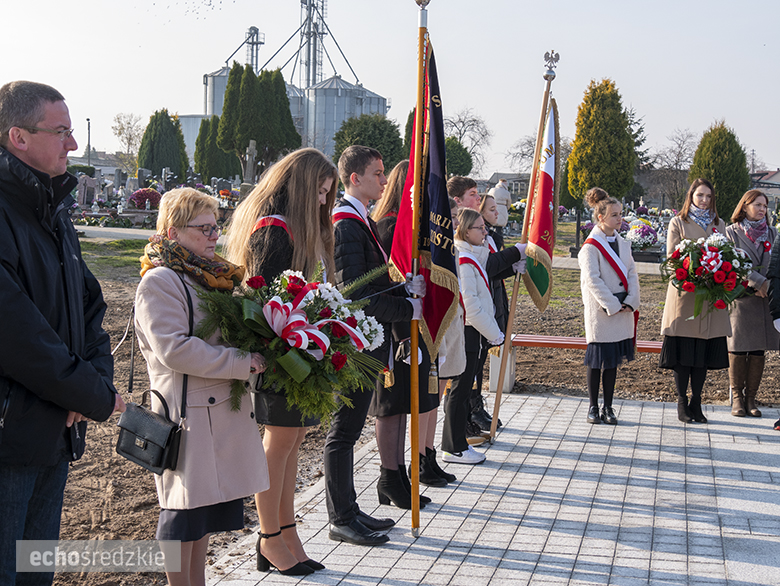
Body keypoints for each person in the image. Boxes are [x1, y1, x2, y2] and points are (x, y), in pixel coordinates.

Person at [0, 81, 126, 586]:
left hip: (54, 429)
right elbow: (17, 334)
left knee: (35, 573)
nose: (73, 145)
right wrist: (88, 392)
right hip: (11, 438)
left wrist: (93, 380)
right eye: (62, 132)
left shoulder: (52, 209)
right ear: (18, 137)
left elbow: (88, 305)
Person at [134, 188, 270, 585]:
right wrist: (240, 362)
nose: (215, 235)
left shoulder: (207, 276)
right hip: (187, 416)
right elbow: (173, 349)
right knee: (181, 518)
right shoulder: (161, 281)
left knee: (203, 517)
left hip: (215, 413)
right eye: (204, 228)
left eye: (216, 226)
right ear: (174, 233)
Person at [224, 148, 337, 574]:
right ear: (303, 187)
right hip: (279, 354)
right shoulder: (274, 232)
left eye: (328, 194)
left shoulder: (291, 229)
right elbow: (267, 301)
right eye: (321, 192)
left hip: (296, 351)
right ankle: (270, 536)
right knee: (280, 444)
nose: (324, 202)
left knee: (291, 443)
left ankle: (286, 531)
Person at [326, 146, 424, 546]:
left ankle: (349, 509)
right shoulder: (346, 223)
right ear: (355, 179)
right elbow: (356, 295)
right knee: (343, 433)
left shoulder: (361, 219)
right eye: (378, 173)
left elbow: (370, 282)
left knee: (349, 431)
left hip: (367, 338)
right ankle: (341, 516)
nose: (385, 181)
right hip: (353, 341)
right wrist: (405, 306)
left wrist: (403, 290)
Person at [371, 159, 444, 497]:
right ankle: (388, 476)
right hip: (395, 331)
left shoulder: (417, 229)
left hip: (413, 328)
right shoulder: (389, 227)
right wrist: (403, 335)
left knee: (403, 404)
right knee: (391, 404)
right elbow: (389, 284)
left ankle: (398, 474)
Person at [448, 176, 525, 433]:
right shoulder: (464, 254)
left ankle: (470, 415)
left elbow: (489, 270)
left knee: (473, 374)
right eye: (473, 194)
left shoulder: (479, 244)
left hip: (486, 320)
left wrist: (511, 267)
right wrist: (515, 252)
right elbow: (474, 294)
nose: (478, 199)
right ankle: (458, 432)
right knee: (462, 382)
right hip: (472, 326)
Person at [660, 178, 730, 423]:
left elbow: (725, 255)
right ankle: (681, 403)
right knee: (684, 352)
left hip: (709, 297)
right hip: (685, 294)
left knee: (702, 354)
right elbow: (673, 256)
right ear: (691, 196)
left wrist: (720, 270)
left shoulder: (719, 224)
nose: (704, 200)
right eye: (700, 195)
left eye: (708, 196)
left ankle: (696, 403)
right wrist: (695, 268)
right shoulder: (678, 222)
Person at [444, 209, 505, 465]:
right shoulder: (464, 260)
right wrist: (495, 335)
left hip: (475, 335)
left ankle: (457, 444)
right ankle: (454, 446)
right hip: (470, 333)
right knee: (459, 391)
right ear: (466, 231)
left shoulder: (473, 256)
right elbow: (472, 305)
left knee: (464, 390)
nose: (485, 231)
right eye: (480, 228)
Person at [579, 188, 640, 425]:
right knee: (597, 362)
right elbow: (592, 280)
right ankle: (593, 406)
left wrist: (631, 301)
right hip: (603, 311)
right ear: (600, 217)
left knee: (613, 363)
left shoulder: (624, 244)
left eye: (621, 214)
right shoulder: (590, 247)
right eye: (614, 215)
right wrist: (613, 305)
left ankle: (609, 406)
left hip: (622, 308)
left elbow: (632, 273)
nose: (619, 219)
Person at [728, 190, 778, 417]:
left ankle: (751, 398)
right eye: (757, 204)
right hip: (742, 297)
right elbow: (730, 263)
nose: (761, 209)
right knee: (738, 347)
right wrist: (760, 284)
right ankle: (736, 398)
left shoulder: (773, 233)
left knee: (758, 349)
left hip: (765, 300)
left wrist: (770, 286)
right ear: (744, 206)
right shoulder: (731, 233)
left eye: (764, 206)